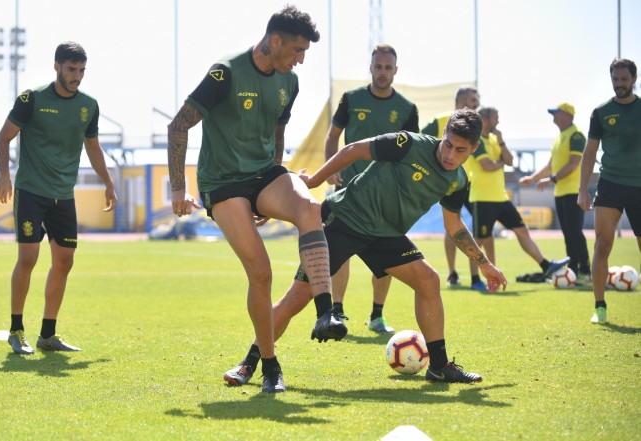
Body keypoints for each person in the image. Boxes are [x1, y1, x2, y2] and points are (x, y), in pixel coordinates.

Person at [223, 109, 508, 387]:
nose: (450, 155)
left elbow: (454, 224)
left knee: (428, 280)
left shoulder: (458, 181)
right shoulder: (407, 144)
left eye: (460, 150)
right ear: (443, 134)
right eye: (448, 144)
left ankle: (439, 367)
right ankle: (249, 363)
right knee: (297, 298)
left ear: (473, 149)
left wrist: (483, 263)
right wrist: (314, 181)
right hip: (345, 220)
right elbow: (354, 150)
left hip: (386, 235)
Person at [167, 6, 345, 394]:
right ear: (275, 41)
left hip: (264, 174)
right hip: (223, 183)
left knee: (310, 207)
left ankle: (325, 313)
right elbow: (178, 125)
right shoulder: (226, 72)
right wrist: (178, 188)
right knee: (261, 273)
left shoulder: (289, 82)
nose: (301, 60)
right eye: (297, 50)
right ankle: (269, 366)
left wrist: (274, 186)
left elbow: (278, 133)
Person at [0, 41, 117, 355]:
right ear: (57, 66)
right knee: (28, 258)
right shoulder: (31, 99)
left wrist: (108, 183)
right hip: (31, 191)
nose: (77, 76)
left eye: (82, 70)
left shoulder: (89, 105)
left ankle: (47, 335)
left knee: (64, 261)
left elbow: (93, 148)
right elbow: (4, 138)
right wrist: (5, 175)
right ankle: (16, 330)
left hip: (64, 195)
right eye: (71, 69)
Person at [324, 43, 419, 334]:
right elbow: (332, 137)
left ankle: (377, 316)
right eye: (378, 66)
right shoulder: (351, 99)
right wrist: (331, 167)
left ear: (396, 70)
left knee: (387, 257)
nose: (382, 72)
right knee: (339, 252)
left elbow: (412, 152)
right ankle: (337, 311)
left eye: (388, 67)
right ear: (371, 68)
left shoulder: (407, 108)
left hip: (385, 197)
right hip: (347, 192)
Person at [470, 106, 570, 277]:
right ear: (485, 120)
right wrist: (500, 162)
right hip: (482, 198)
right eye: (495, 117)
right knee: (478, 241)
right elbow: (487, 166)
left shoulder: (495, 139)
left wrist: (501, 142)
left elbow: (509, 160)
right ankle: (475, 279)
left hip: (501, 198)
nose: (498, 121)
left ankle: (546, 266)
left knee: (522, 230)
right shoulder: (476, 141)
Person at [578, 58, 641, 324]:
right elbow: (590, 151)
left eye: (624, 79)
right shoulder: (601, 112)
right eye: (615, 79)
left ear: (634, 79)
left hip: (639, 185)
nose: (619, 84)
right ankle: (600, 306)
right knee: (602, 245)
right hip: (610, 184)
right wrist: (583, 190)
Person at [421, 85, 486, 290]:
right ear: (460, 101)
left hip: (468, 185)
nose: (476, 104)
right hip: (443, 182)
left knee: (476, 230)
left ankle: (477, 276)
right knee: (451, 227)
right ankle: (452, 272)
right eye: (473, 100)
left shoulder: (476, 127)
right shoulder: (441, 120)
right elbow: (421, 141)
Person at [519, 102, 590, 282]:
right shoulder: (559, 138)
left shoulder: (576, 135)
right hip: (560, 193)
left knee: (574, 232)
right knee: (568, 233)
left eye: (556, 112)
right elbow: (550, 165)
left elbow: (573, 164)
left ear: (568, 115)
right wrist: (532, 178)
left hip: (573, 191)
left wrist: (551, 179)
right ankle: (573, 269)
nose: (553, 116)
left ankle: (585, 270)